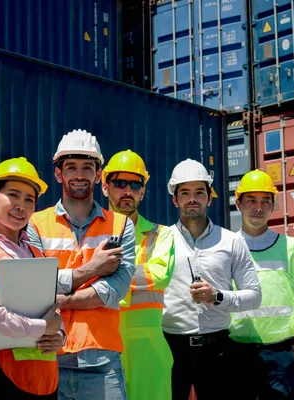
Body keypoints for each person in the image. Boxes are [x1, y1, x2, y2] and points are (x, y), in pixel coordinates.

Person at [26, 129, 136, 400]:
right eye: (71, 167)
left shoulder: (122, 226)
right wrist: (94, 268)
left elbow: (115, 291)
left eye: (87, 167)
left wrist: (58, 300)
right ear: (58, 173)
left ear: (98, 176)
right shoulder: (35, 225)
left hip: (103, 362)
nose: (79, 174)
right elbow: (34, 290)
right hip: (48, 358)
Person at [0, 157, 66, 399]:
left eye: (29, 199)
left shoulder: (37, 253)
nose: (22, 205)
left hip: (43, 378)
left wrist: (59, 336)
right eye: (13, 195)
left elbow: (53, 310)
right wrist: (41, 327)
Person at [162, 158, 262, 400]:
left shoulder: (231, 241)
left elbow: (254, 296)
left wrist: (216, 297)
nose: (192, 198)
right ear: (175, 199)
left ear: (209, 196)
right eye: (184, 193)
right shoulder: (161, 240)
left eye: (199, 192)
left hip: (217, 350)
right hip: (170, 348)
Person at [230, 169, 294, 399]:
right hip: (235, 354)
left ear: (273, 206)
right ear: (238, 203)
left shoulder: (291, 248)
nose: (258, 207)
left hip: (281, 355)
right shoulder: (225, 248)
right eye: (251, 200)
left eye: (265, 201)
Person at [101, 150, 175, 400]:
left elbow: (159, 275)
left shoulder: (159, 234)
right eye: (119, 183)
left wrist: (104, 271)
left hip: (148, 350)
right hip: (101, 343)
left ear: (143, 191)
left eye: (135, 184)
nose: (127, 190)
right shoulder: (91, 234)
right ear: (105, 187)